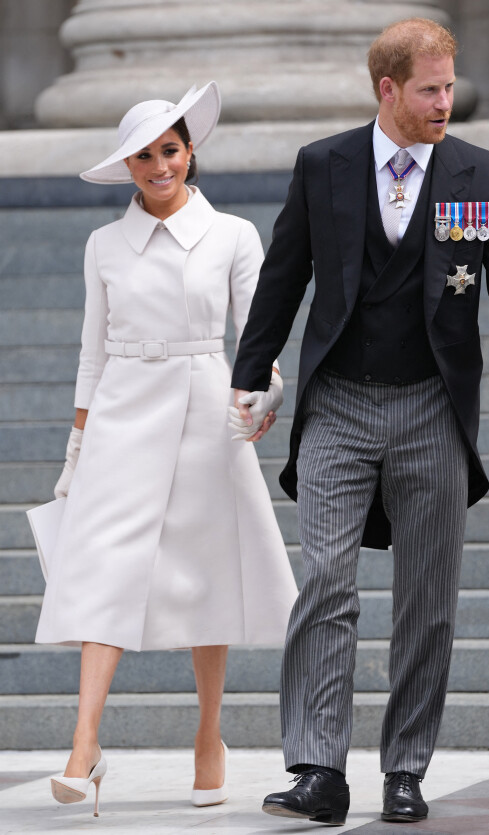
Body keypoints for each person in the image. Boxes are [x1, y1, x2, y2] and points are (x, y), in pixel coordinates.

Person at [230, 18, 489, 825]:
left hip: (433, 405)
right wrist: (249, 372)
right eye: (431, 89)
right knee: (326, 579)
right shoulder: (323, 164)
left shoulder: (483, 174)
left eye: (450, 86)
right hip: (337, 401)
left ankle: (405, 769)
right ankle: (317, 769)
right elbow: (284, 270)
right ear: (388, 89)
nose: (447, 102)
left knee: (427, 598)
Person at [35, 80, 297, 817]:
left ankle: (209, 735)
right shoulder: (103, 245)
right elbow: (91, 353)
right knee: (99, 569)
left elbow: (259, 337)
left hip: (206, 409)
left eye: (171, 150)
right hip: (121, 408)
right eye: (144, 156)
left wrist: (266, 390)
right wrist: (76, 444)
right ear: (127, 166)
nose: (159, 166)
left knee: (203, 574)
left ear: (191, 151)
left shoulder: (234, 235)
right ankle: (84, 745)